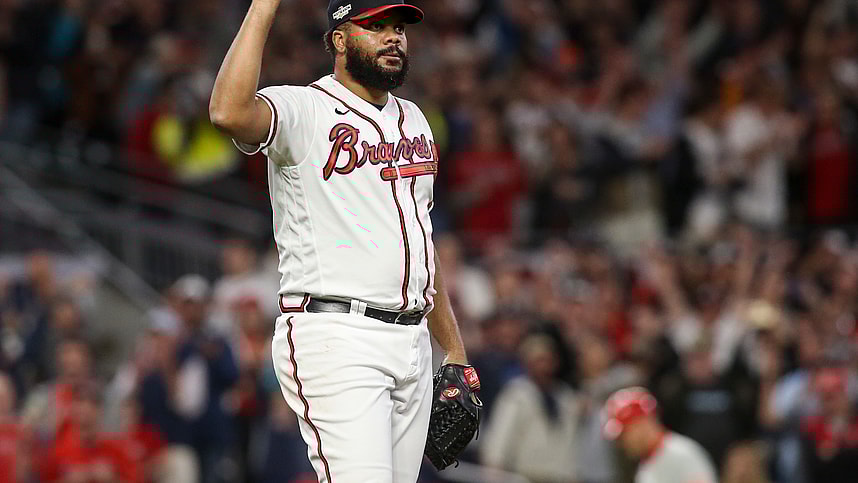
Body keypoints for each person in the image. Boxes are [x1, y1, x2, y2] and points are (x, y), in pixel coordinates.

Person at [209, 1, 471, 482]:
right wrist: (264, 7)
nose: (393, 37)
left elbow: (420, 243)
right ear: (339, 39)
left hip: (413, 340)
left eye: (399, 28)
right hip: (336, 335)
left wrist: (453, 348)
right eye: (375, 26)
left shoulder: (415, 119)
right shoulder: (303, 109)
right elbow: (228, 112)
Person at [602, 386, 718, 483]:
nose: (622, 443)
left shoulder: (682, 454)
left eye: (625, 433)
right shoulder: (646, 465)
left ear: (641, 424)